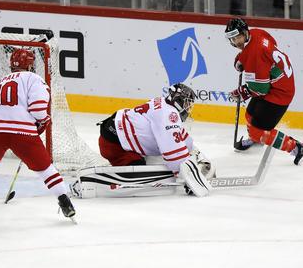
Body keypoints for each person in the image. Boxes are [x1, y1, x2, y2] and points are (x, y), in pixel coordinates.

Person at [0, 48, 75, 220]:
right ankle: (65, 202)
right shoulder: (34, 78)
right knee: (46, 169)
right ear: (31, 65)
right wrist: (42, 120)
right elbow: (39, 108)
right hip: (20, 132)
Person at [71, 83, 214, 198]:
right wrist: (189, 176)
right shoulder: (168, 115)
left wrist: (197, 154)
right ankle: (91, 183)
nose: (188, 109)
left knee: (159, 162)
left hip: (113, 133)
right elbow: (174, 159)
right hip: (114, 144)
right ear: (178, 101)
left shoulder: (164, 105)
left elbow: (180, 137)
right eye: (187, 103)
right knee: (144, 173)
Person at [225, 17, 303, 166]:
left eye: (238, 37)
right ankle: (256, 140)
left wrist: (241, 92)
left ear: (245, 33)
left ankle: (298, 147)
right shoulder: (256, 33)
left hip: (280, 93)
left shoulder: (256, 55)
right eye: (232, 39)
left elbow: (260, 89)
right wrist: (242, 57)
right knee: (250, 115)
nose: (236, 42)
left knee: (259, 131)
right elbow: (271, 43)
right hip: (274, 83)